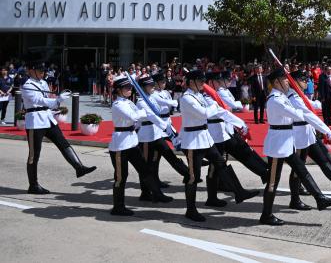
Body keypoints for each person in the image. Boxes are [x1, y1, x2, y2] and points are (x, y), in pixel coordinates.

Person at [260, 67, 331, 226]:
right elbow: (297, 114)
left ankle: (320, 199)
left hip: (286, 142)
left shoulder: (282, 96)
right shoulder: (275, 99)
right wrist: (305, 110)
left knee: (302, 170)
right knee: (272, 182)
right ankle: (266, 215)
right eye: (284, 80)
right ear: (276, 82)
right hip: (277, 145)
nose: (287, 82)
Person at [179, 70, 257, 222]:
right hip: (193, 141)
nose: (203, 83)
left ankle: (238, 191)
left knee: (220, 163)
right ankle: (191, 209)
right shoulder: (187, 98)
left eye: (203, 81)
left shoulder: (199, 96)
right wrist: (214, 106)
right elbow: (205, 114)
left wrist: (238, 122)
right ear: (191, 82)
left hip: (205, 138)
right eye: (199, 81)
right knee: (193, 176)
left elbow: (218, 110)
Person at [22, 60, 96, 194]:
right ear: (31, 71)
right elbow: (39, 100)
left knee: (63, 143)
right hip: (35, 121)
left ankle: (79, 167)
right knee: (34, 154)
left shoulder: (43, 82)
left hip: (47, 118)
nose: (42, 73)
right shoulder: (27, 85)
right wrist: (57, 100)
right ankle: (33, 185)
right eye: (39, 70)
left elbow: (46, 100)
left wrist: (55, 104)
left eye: (43, 70)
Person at [287, 69, 331, 210]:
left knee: (323, 158)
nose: (306, 81)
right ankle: (295, 200)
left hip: (307, 133)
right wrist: (326, 130)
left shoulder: (298, 95)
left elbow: (311, 105)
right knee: (298, 170)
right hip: (299, 136)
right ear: (294, 82)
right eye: (303, 79)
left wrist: (319, 104)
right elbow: (308, 115)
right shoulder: (293, 97)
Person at [108, 74, 171, 216]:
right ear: (118, 90)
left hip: (132, 141)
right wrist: (145, 112)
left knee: (145, 169)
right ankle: (118, 207)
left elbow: (137, 120)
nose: (130, 90)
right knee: (121, 176)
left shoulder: (129, 102)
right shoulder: (117, 104)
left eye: (130, 87)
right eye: (126, 87)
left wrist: (144, 114)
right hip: (120, 144)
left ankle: (156, 194)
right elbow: (133, 116)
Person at [146, 72, 190, 187]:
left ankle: (192, 162)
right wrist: (174, 102)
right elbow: (165, 102)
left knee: (180, 142)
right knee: (158, 155)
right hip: (159, 126)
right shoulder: (154, 94)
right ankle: (156, 180)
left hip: (168, 123)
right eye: (162, 82)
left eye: (165, 82)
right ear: (156, 83)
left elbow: (170, 105)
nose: (164, 84)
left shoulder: (165, 92)